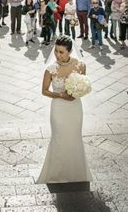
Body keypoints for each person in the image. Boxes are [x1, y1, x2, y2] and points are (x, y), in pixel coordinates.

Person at [37, 35, 91, 184]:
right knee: (59, 138)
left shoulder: (81, 65)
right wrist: (61, 94)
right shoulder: (51, 69)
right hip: (58, 108)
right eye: (56, 51)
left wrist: (77, 93)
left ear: (70, 51)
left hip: (75, 108)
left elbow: (83, 84)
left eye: (61, 52)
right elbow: (45, 91)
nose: (58, 55)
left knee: (74, 137)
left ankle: (76, 173)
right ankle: (57, 174)